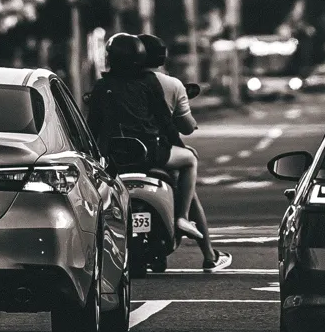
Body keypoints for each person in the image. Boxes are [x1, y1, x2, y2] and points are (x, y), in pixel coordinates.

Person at [86, 33, 203, 241]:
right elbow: (165, 121)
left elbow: (92, 125)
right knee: (190, 160)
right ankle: (182, 218)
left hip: (114, 157)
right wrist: (179, 146)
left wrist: (90, 154)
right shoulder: (149, 82)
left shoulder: (102, 86)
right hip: (151, 153)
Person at [138, 34, 232, 272]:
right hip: (158, 152)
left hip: (119, 155)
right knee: (189, 169)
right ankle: (207, 252)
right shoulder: (170, 84)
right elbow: (187, 127)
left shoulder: (114, 84)